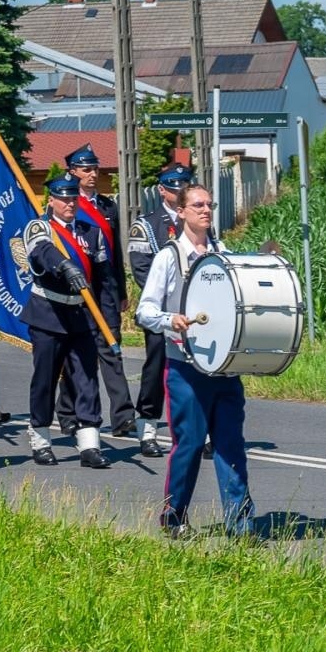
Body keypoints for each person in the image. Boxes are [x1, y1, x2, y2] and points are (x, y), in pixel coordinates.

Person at [136, 183, 253, 539]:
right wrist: (170, 320)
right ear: (182, 212)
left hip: (223, 366)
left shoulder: (223, 253)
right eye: (198, 204)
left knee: (231, 443)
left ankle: (240, 523)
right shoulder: (168, 256)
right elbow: (145, 310)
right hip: (185, 366)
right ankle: (174, 516)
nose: (206, 210)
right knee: (187, 445)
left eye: (209, 204)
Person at [21, 172, 111, 469]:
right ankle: (42, 437)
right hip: (49, 312)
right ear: (52, 201)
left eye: (73, 197)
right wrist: (65, 266)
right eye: (63, 198)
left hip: (82, 315)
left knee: (86, 378)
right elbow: (42, 253)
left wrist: (108, 315)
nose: (69, 203)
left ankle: (89, 444)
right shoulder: (40, 228)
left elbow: (103, 277)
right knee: (45, 379)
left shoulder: (91, 231)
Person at [58, 143, 137, 440]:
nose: (92, 174)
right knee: (79, 355)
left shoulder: (107, 206)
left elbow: (114, 253)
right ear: (73, 172)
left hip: (105, 290)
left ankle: (123, 416)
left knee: (112, 350)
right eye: (86, 169)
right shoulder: (65, 205)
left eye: (95, 168)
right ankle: (67, 412)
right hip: (77, 291)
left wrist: (121, 291)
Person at [126, 164, 196, 458]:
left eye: (185, 186)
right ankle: (148, 427)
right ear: (162, 191)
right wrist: (169, 302)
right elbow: (141, 269)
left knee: (196, 368)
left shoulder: (199, 223)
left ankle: (196, 430)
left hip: (195, 313)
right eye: (174, 187)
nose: (180, 191)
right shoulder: (146, 225)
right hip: (161, 311)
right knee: (155, 369)